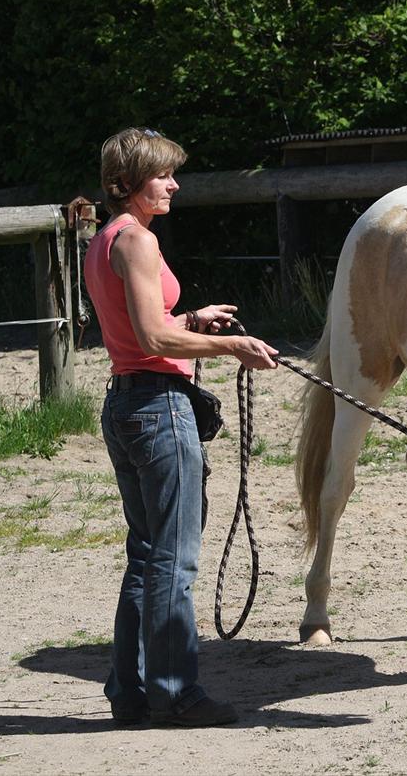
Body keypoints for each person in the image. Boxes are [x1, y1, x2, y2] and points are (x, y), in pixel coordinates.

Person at [84, 127, 278, 728]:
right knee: (173, 558)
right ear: (128, 184)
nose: (173, 184)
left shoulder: (106, 238)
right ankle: (178, 694)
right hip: (158, 406)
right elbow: (154, 338)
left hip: (127, 403)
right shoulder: (136, 240)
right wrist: (233, 346)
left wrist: (191, 317)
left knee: (146, 554)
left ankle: (131, 691)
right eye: (162, 175)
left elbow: (144, 323)